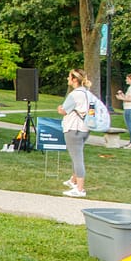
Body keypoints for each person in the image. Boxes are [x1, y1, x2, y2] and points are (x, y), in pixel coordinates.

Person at [57, 69, 91, 198]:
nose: (67, 79)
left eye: (69, 77)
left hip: (73, 128)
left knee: (77, 158)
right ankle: (73, 180)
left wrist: (59, 108)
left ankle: (80, 189)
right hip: (85, 128)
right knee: (76, 155)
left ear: (75, 79)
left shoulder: (74, 94)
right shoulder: (87, 93)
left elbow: (64, 111)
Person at [115, 73, 131, 148]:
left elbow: (130, 99)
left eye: (127, 79)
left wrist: (120, 98)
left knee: (130, 126)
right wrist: (122, 94)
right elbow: (128, 97)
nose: (126, 80)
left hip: (130, 108)